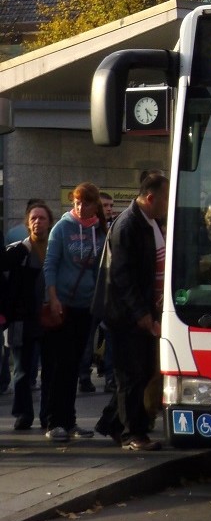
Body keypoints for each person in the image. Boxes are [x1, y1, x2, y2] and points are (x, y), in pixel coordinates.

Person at [93, 172, 170, 451]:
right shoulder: (128, 225)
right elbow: (122, 276)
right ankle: (132, 434)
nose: (167, 203)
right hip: (125, 315)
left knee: (141, 372)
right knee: (130, 374)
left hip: (145, 311)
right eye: (164, 198)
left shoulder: (152, 222)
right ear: (150, 198)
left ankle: (112, 424)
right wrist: (141, 312)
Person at [41, 182, 106, 442]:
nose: (80, 207)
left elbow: (99, 269)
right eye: (77, 202)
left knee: (77, 363)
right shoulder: (62, 228)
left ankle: (70, 421)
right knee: (61, 365)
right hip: (63, 306)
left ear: (94, 205)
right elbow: (50, 265)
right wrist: (53, 298)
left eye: (86, 202)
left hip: (85, 307)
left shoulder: (99, 230)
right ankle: (55, 421)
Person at [2, 201, 53, 430]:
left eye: (42, 218)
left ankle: (48, 414)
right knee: (22, 370)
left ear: (50, 223)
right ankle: (23, 413)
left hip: (50, 318)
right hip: (22, 319)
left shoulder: (55, 249)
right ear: (27, 222)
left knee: (50, 369)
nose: (37, 222)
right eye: (33, 218)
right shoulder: (18, 250)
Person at [79, 191, 118, 393]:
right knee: (88, 337)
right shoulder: (87, 231)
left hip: (109, 293)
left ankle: (111, 376)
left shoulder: (114, 228)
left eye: (111, 205)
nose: (109, 209)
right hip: (90, 293)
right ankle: (84, 376)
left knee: (111, 335)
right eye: (105, 205)